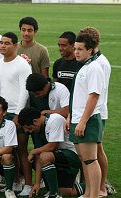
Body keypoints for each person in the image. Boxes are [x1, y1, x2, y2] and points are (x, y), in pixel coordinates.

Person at [66, 32, 104, 198]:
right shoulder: (85, 66)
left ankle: (94, 195)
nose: (76, 52)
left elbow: (94, 96)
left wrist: (82, 122)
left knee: (90, 160)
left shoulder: (94, 68)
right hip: (78, 119)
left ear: (90, 50)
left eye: (80, 49)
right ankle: (88, 193)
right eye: (75, 49)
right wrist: (71, 117)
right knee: (84, 158)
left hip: (86, 120)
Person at [0, 32, 32, 194]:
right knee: (9, 150)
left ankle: (28, 184)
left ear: (15, 46)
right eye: (1, 42)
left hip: (19, 113)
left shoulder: (22, 65)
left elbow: (25, 90)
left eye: (7, 43)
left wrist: (18, 114)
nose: (2, 45)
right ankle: (15, 182)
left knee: (21, 149)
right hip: (4, 114)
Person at [18, 107, 81, 198]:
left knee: (44, 156)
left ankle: (54, 194)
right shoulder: (40, 128)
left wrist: (33, 151)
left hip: (72, 156)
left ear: (35, 121)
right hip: (59, 158)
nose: (30, 131)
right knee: (66, 192)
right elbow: (39, 156)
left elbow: (53, 146)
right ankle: (94, 186)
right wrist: (37, 183)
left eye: (30, 128)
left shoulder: (55, 119)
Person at [79, 27, 112, 197]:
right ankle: (90, 189)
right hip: (92, 111)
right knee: (91, 153)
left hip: (97, 111)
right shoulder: (92, 61)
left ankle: (101, 187)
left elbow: (97, 92)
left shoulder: (100, 63)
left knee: (97, 151)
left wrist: (86, 117)